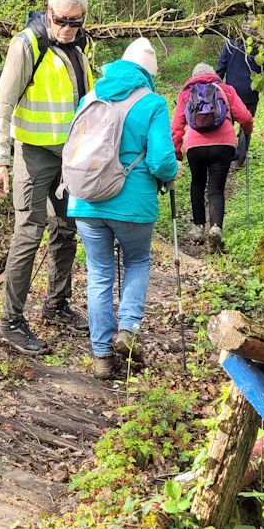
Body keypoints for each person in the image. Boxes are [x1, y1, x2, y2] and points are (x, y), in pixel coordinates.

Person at [0, 0, 94, 355]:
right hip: (32, 154)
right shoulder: (26, 45)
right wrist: (0, 161)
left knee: (67, 228)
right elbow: (1, 107)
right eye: (61, 20)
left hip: (70, 157)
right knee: (29, 233)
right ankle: (10, 322)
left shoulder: (81, 45)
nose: (67, 28)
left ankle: (57, 304)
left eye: (75, 22)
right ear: (49, 12)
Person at [67, 38, 179, 379]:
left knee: (99, 273)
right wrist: (172, 173)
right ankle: (128, 329)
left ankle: (102, 356)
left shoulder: (90, 97)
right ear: (149, 74)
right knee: (138, 260)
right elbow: (162, 161)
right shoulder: (153, 103)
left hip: (85, 199)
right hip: (131, 203)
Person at [171, 63, 253, 251]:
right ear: (213, 74)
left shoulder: (185, 94)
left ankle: (198, 228)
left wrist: (177, 154)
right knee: (216, 188)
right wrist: (247, 132)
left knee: (197, 184)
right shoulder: (226, 90)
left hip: (195, 147)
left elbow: (176, 128)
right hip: (223, 145)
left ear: (193, 77)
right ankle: (216, 227)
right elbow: (246, 117)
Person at [216, 20, 264, 166]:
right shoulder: (260, 46)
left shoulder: (230, 43)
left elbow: (221, 67)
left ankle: (225, 158)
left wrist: (217, 87)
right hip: (250, 93)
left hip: (230, 93)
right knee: (245, 126)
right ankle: (239, 161)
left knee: (227, 124)